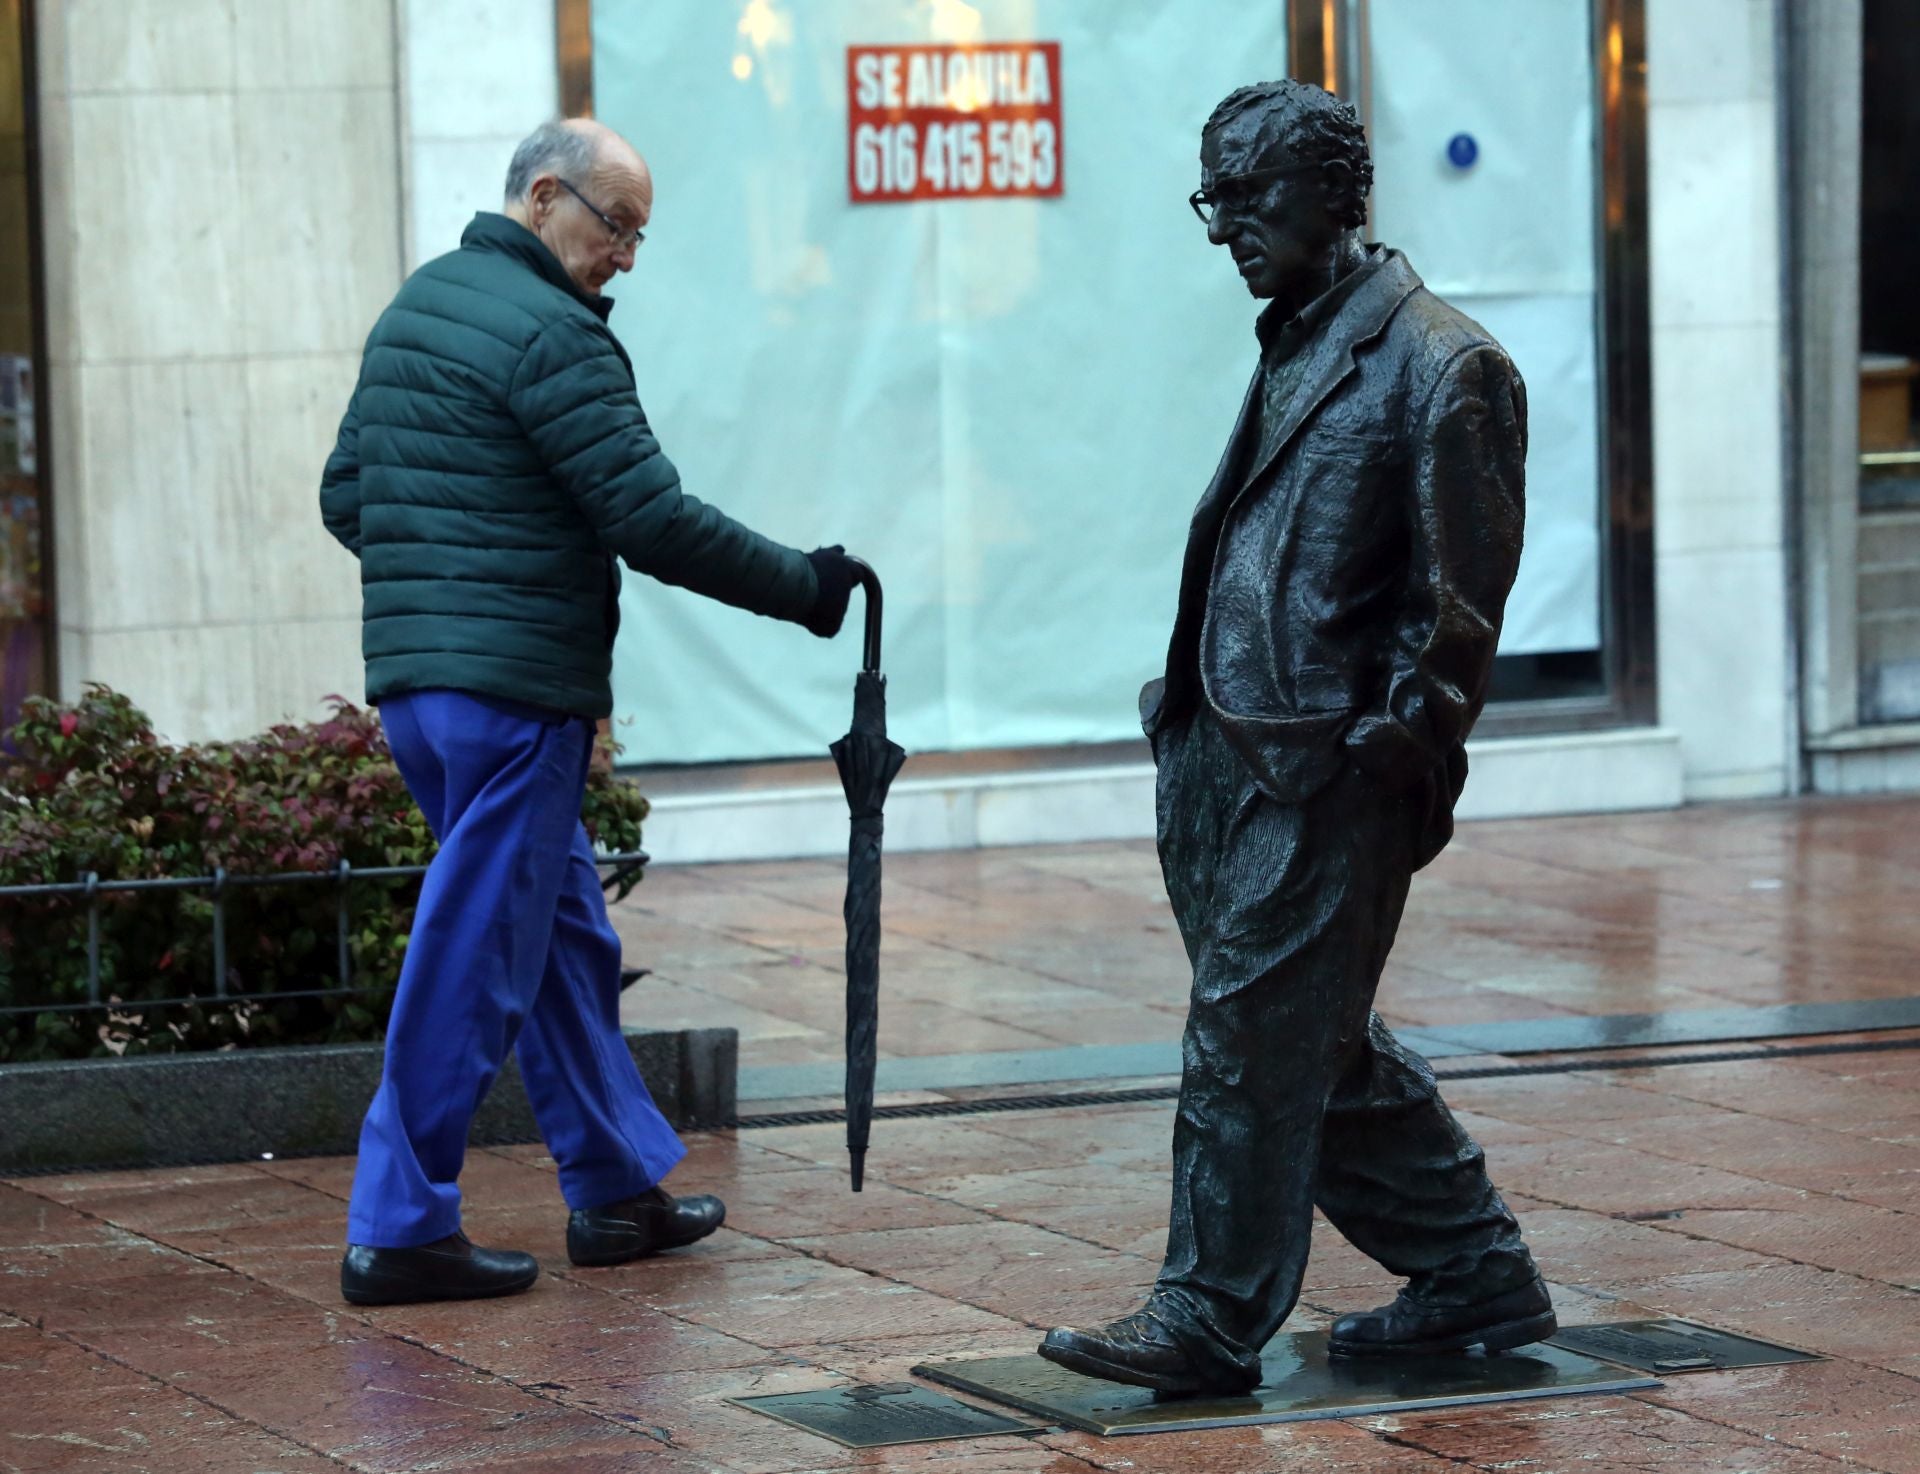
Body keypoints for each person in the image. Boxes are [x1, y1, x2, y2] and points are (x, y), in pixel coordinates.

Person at [1038, 80, 1552, 1396]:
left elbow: (1456, 610)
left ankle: (1207, 1315)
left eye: (1249, 196)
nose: (1224, 229)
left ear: (1340, 191)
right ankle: (1475, 1273)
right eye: (1212, 199)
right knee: (1306, 1042)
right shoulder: (1300, 339)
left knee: (1247, 1036)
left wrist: (1380, 750)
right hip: (1228, 756)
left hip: (1324, 773)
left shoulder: (1445, 364)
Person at [319, 118, 861, 1306]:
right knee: (472, 961)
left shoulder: (419, 305)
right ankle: (400, 1222)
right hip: (515, 699)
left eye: (638, 237)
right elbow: (651, 518)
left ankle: (614, 1187)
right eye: (617, 227)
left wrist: (446, 585)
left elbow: (347, 496)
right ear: (547, 194)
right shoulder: (553, 335)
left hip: (424, 696)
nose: (626, 257)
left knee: (563, 937)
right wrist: (806, 587)